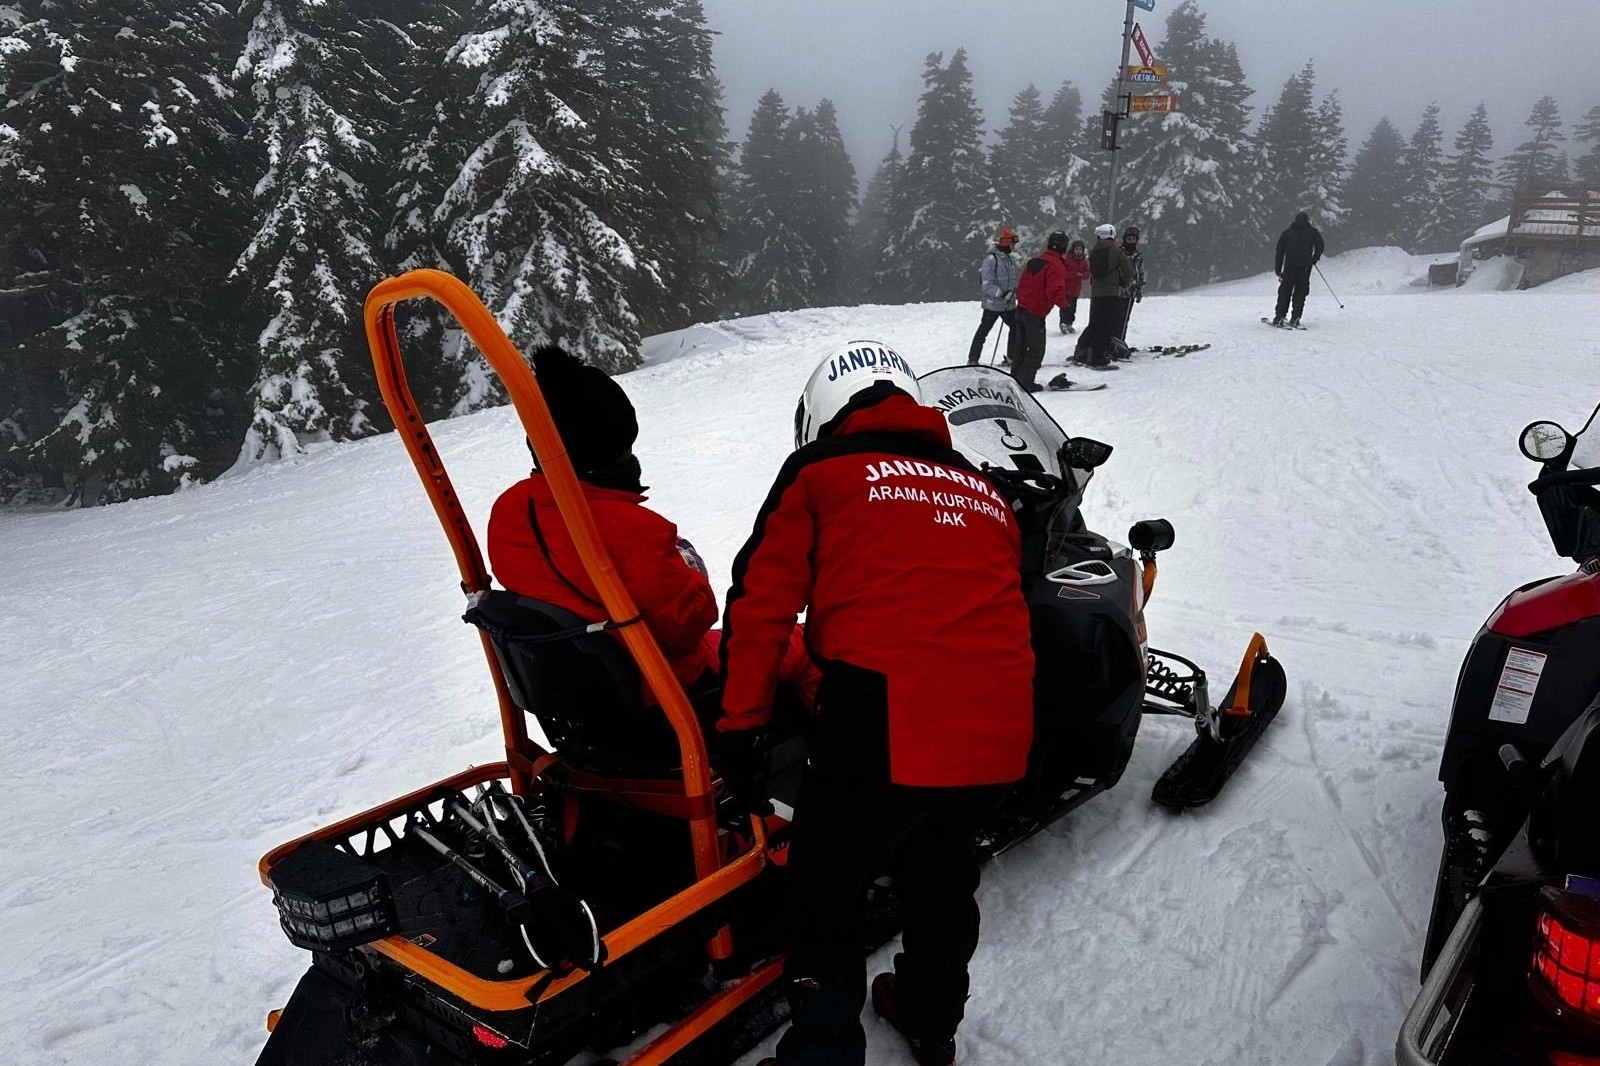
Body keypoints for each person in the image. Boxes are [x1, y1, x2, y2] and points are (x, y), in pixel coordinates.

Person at [717, 341, 1034, 1066]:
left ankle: (823, 1054)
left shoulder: (819, 471)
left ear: (823, 415)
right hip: (1003, 721)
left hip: (884, 716)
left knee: (821, 897)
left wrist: (741, 729)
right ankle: (930, 1016)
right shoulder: (982, 488)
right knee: (942, 873)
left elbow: (761, 605)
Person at [488, 345, 818, 720]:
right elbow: (689, 622)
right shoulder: (630, 530)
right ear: (609, 450)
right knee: (805, 646)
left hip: (588, 699)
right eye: (625, 449)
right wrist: (690, 568)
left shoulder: (508, 512)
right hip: (667, 688)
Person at [1011, 231, 1071, 392]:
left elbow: (1022, 284)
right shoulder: (1056, 265)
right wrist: (1065, 307)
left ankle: (1015, 379)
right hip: (1035, 313)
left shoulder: (1034, 261)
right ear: (1064, 247)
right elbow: (1055, 290)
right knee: (1036, 350)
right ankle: (1025, 383)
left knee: (1021, 347)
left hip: (1021, 309)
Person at [1073, 224, 1133, 370]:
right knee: (1105, 326)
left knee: (1094, 323)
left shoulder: (1093, 253)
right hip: (1111, 293)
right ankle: (1097, 356)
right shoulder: (1116, 252)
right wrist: (1122, 280)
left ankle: (1081, 350)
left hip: (1096, 293)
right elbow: (1129, 271)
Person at [966, 228, 1020, 366]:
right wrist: (1002, 294)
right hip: (993, 305)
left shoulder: (1008, 259)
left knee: (1016, 328)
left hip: (1007, 305)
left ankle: (1012, 357)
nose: (1014, 247)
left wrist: (1013, 293)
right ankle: (973, 359)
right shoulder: (991, 259)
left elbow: (1010, 280)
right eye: (1012, 244)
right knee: (983, 331)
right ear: (1006, 243)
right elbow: (987, 284)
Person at [1273, 211, 1325, 327]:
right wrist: (1313, 259)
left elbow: (1279, 252)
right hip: (1305, 267)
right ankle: (1296, 317)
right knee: (1301, 292)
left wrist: (1278, 268)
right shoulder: (1312, 232)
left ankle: (1280, 317)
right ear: (1307, 220)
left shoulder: (1287, 233)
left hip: (1289, 266)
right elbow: (1320, 246)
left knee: (1285, 291)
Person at [1117, 225, 1146, 343]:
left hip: (1132, 292)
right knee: (1117, 318)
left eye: (1133, 240)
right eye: (1129, 239)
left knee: (1125, 318)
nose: (1131, 242)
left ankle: (1121, 340)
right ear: (1125, 239)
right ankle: (1115, 340)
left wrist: (1139, 290)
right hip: (1119, 291)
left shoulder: (1138, 255)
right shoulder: (1119, 253)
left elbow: (1140, 272)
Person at [1057, 238, 1091, 335]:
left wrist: (1082, 275)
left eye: (1080, 249)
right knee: (1065, 307)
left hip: (1076, 289)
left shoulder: (1084, 261)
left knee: (1073, 308)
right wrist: (1075, 274)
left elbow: (1087, 273)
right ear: (1073, 249)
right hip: (1066, 288)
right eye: (1076, 249)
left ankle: (1069, 323)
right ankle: (1063, 323)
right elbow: (1063, 273)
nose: (1078, 251)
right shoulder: (1067, 259)